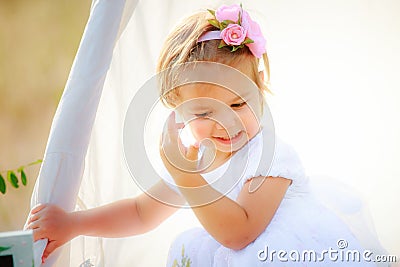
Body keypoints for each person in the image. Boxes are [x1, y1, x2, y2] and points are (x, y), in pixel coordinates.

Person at [26, 4, 386, 266]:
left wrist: (188, 178)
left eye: (240, 103)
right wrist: (74, 224)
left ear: (260, 91)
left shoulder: (272, 157)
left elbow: (240, 233)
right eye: (203, 112)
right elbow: (140, 213)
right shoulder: (196, 161)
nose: (227, 123)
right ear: (176, 112)